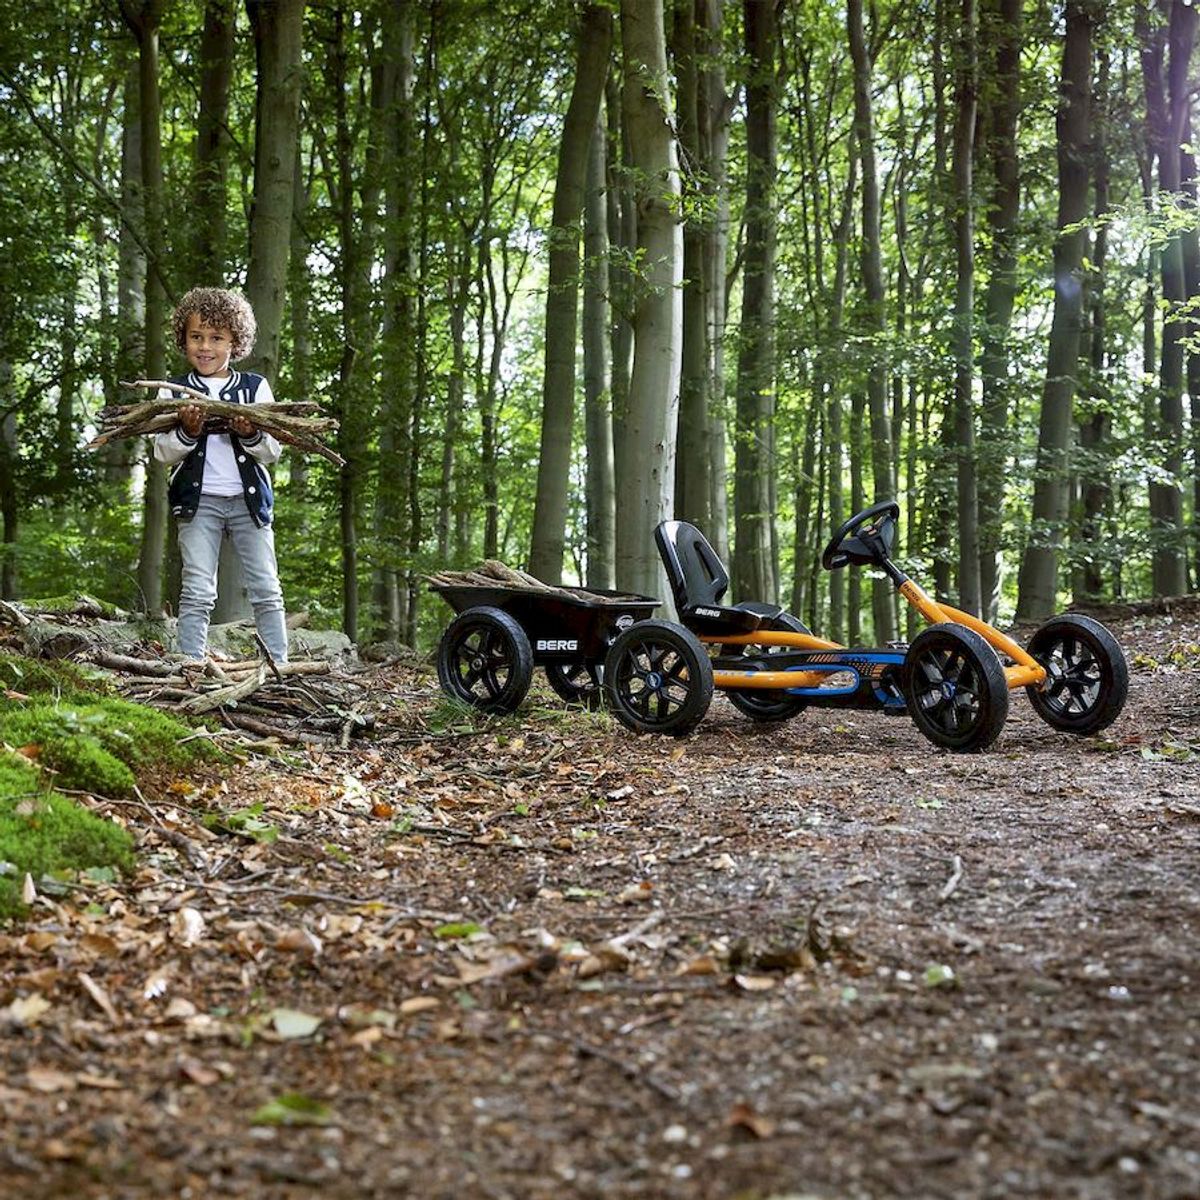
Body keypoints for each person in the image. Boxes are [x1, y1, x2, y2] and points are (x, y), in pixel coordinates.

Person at [153, 287, 289, 664]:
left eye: (216, 338)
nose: (205, 347)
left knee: (266, 587)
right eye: (196, 336)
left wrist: (250, 433)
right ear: (183, 339)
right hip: (197, 504)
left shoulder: (254, 387)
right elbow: (162, 453)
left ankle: (278, 664)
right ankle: (190, 664)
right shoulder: (173, 390)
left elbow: (272, 451)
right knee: (197, 589)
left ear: (235, 342)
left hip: (250, 503)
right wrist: (187, 432)